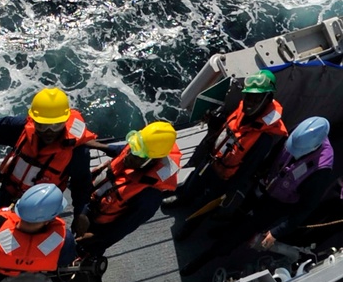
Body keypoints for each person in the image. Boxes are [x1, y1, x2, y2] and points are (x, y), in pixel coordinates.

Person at [0, 86, 97, 217]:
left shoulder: (76, 150)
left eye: (55, 126)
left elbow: (82, 186)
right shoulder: (20, 129)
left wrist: (81, 215)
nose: (48, 132)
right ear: (34, 122)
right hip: (10, 195)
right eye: (42, 126)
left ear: (64, 122)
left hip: (43, 207)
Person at [175, 70, 287, 217]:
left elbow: (248, 168)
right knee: (194, 182)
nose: (249, 103)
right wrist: (212, 121)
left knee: (206, 202)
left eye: (256, 99)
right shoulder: (241, 110)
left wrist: (232, 189)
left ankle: (191, 221)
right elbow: (228, 127)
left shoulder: (264, 138)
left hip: (224, 176)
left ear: (267, 99)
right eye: (248, 97)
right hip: (211, 159)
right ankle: (182, 199)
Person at [75, 121, 181, 255]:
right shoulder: (141, 149)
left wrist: (96, 237)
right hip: (90, 203)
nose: (128, 155)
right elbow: (121, 151)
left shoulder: (149, 197)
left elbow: (125, 226)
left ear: (152, 161)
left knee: (88, 250)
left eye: (136, 154)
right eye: (132, 147)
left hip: (102, 226)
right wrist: (95, 145)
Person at [239, 116, 335, 248]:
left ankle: (223, 248)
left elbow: (307, 207)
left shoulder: (321, 169)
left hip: (280, 201)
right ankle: (230, 227)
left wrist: (277, 232)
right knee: (243, 209)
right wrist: (261, 170)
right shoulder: (301, 133)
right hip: (268, 182)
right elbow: (277, 150)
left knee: (249, 226)